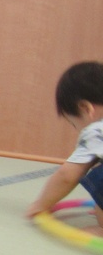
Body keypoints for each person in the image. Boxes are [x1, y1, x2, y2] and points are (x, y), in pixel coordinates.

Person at [26, 60, 103, 229]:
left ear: (85, 108)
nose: (77, 130)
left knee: (98, 172)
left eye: (74, 124)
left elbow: (67, 176)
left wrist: (41, 204)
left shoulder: (96, 130)